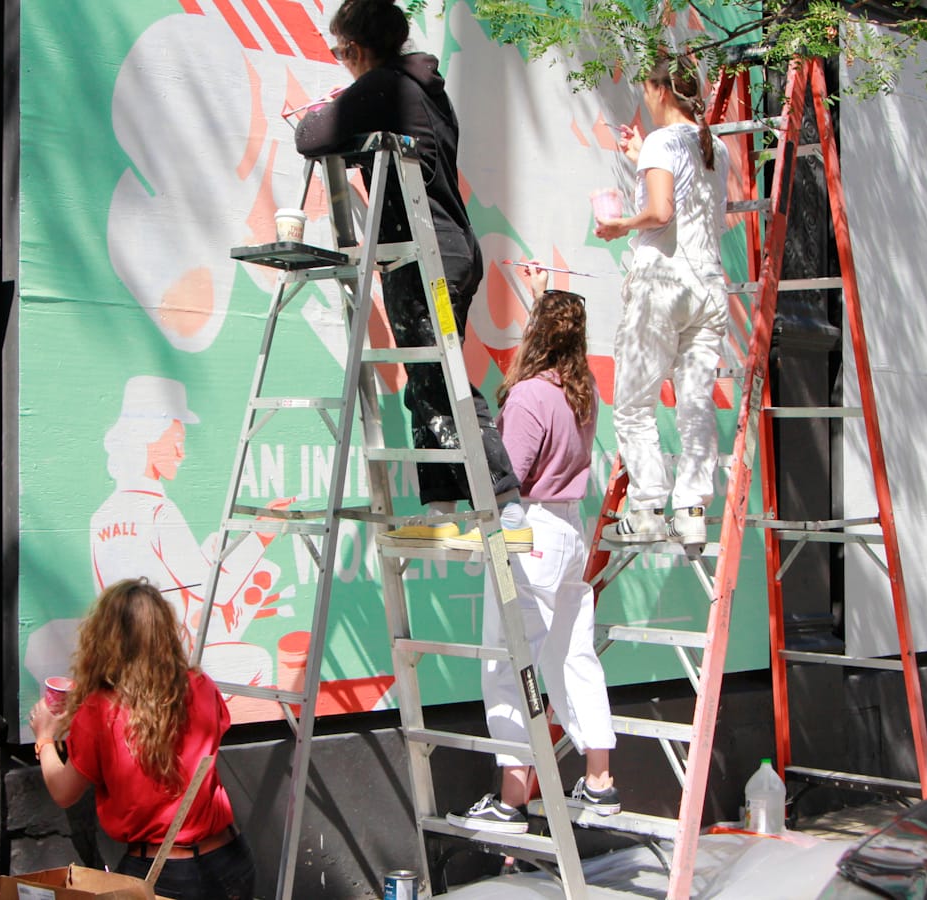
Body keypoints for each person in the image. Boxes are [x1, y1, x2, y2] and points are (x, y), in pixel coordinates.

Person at [295, 0, 529, 552]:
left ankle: (507, 504)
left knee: (442, 378)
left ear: (357, 49)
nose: (340, 62)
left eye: (339, 52)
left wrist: (339, 106)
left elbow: (310, 135)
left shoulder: (384, 87)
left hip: (427, 259)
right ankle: (444, 507)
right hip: (442, 253)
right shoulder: (423, 89)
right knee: (429, 381)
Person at [447, 266, 619, 834]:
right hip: (569, 532)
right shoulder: (582, 394)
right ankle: (599, 782)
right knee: (573, 654)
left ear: (537, 335)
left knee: (507, 662)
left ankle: (512, 799)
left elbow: (508, 479)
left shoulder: (529, 396)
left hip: (533, 536)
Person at [30, 578, 255, 900]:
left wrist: (46, 738)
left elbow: (64, 792)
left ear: (103, 639)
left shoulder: (99, 710)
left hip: (162, 874)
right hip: (229, 859)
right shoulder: (199, 685)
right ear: (165, 633)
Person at [595, 55, 730, 559]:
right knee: (695, 401)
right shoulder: (711, 145)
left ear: (660, 90)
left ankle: (647, 508)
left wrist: (619, 226)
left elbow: (660, 212)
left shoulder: (661, 141)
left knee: (633, 404)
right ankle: (691, 510)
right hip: (708, 286)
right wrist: (641, 161)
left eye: (646, 90)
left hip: (662, 285)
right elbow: (688, 205)